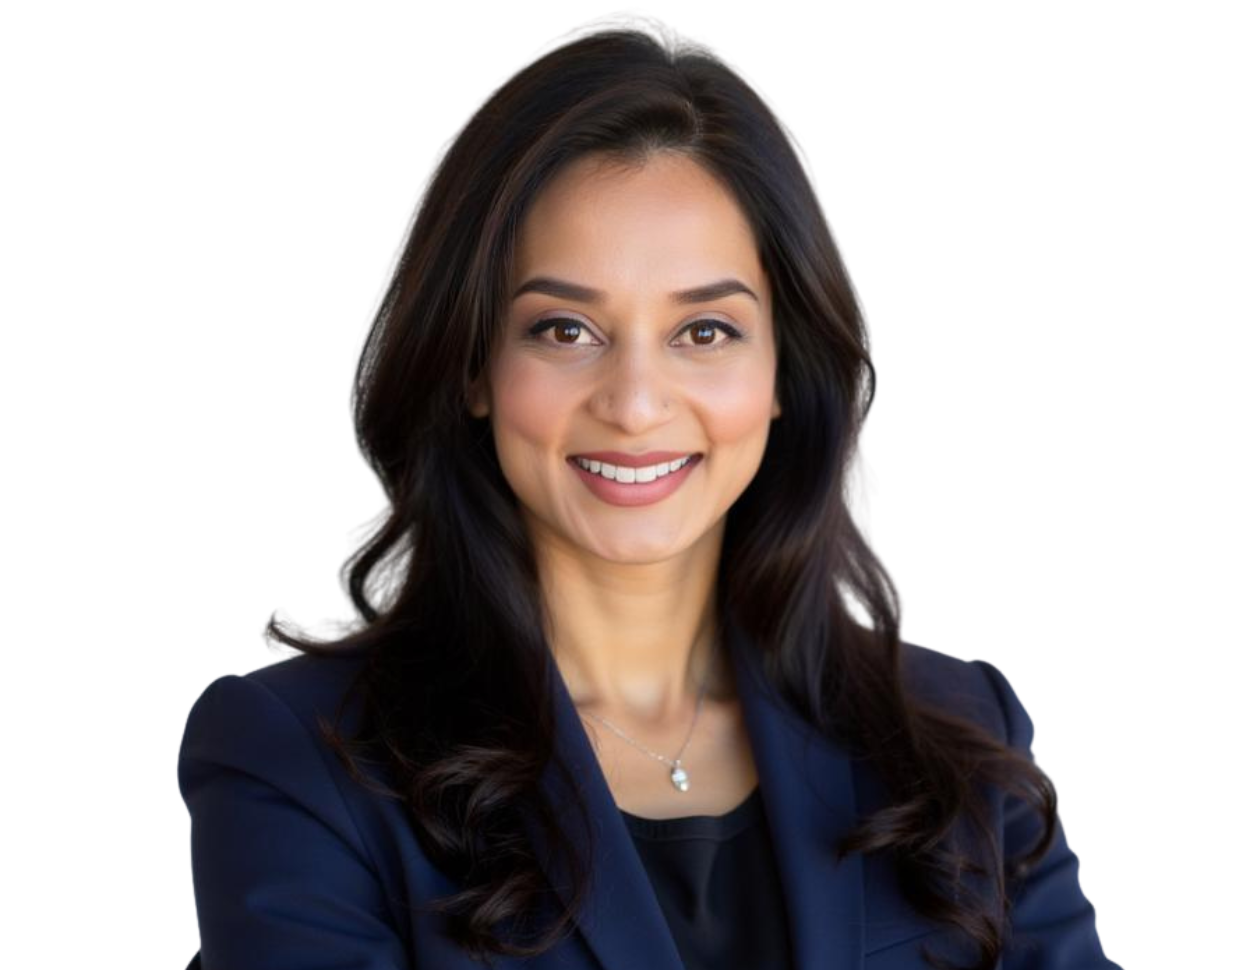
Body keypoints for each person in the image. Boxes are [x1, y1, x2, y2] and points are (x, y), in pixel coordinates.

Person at [176, 11, 1122, 970]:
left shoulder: (957, 732)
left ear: (784, 370)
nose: (634, 405)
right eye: (564, 330)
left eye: (704, 331)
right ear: (471, 364)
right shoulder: (298, 759)